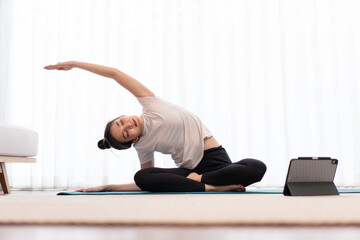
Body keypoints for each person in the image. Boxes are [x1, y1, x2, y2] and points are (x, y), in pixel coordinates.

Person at [44, 61, 267, 192]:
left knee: (256, 168)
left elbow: (115, 74)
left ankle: (208, 184)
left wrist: (74, 64)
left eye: (122, 122)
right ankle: (212, 188)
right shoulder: (143, 146)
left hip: (216, 162)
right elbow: (145, 181)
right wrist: (107, 187)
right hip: (189, 172)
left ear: (123, 115)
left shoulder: (150, 104)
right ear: (132, 141)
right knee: (143, 176)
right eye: (125, 133)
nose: (127, 125)